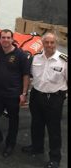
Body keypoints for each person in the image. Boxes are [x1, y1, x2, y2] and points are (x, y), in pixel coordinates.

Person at [21, 32, 67, 168]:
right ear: (42, 43)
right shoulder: (35, 59)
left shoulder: (63, 60)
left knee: (54, 129)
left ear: (56, 44)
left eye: (52, 42)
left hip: (54, 98)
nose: (49, 45)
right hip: (36, 96)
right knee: (36, 124)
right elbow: (28, 77)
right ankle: (37, 147)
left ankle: (55, 158)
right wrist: (25, 93)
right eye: (46, 42)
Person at [0, 29, 30, 157]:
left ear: (12, 39)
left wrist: (24, 93)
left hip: (13, 94)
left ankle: (10, 144)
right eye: (3, 37)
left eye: (8, 37)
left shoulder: (21, 55)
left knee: (13, 120)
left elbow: (26, 75)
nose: (5, 40)